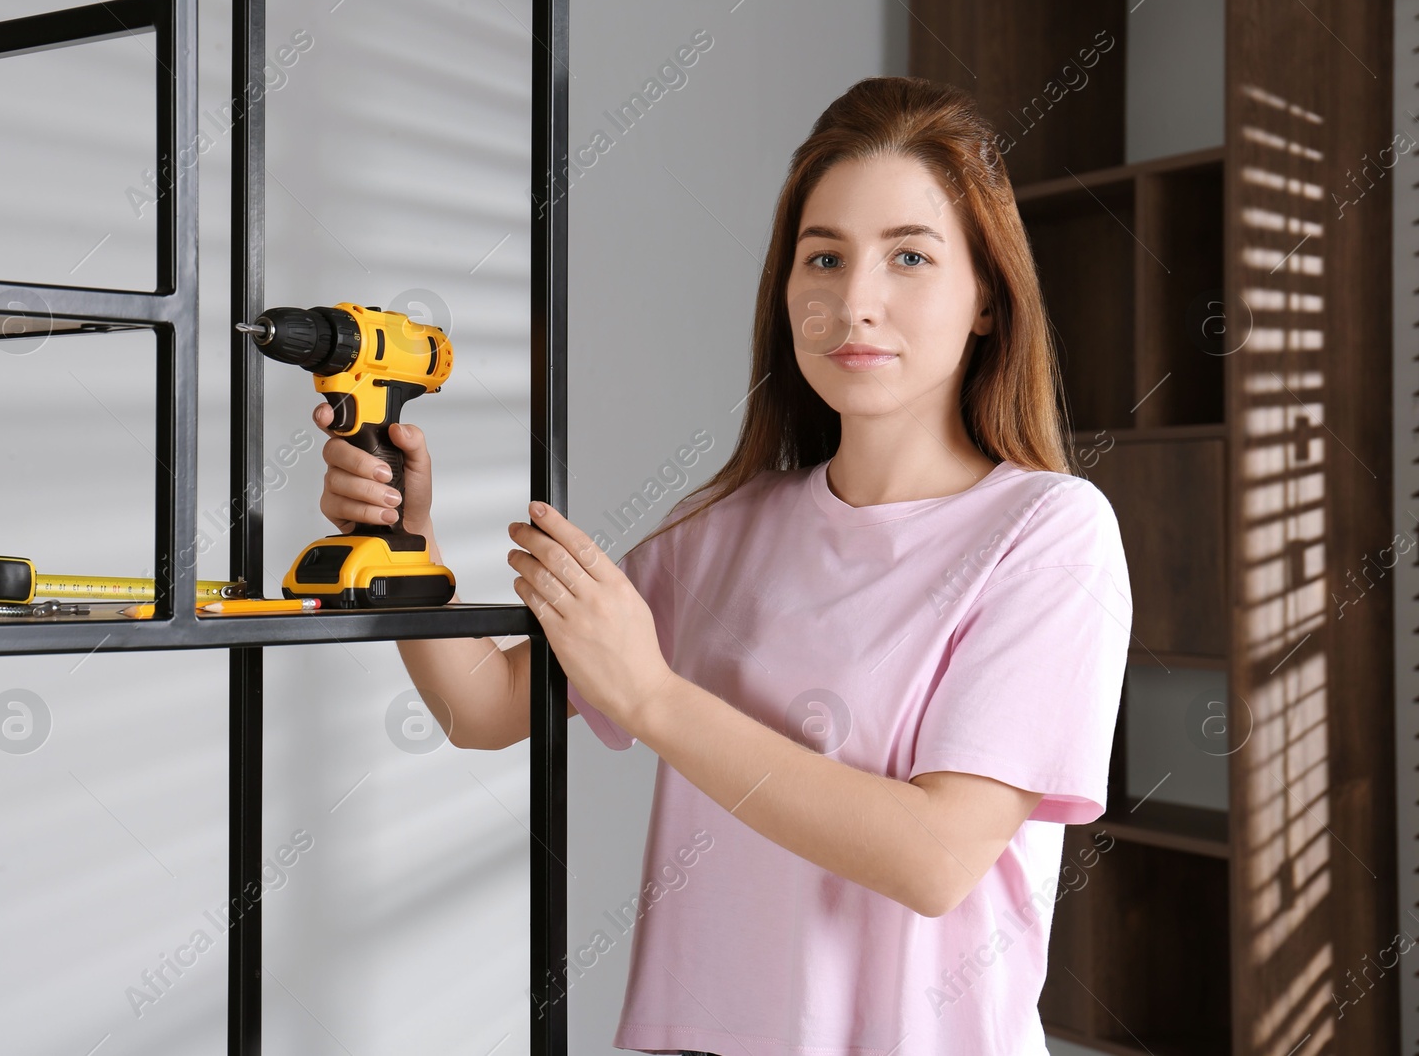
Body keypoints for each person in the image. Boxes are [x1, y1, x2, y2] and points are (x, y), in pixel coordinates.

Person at [314, 75, 1132, 1056]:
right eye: (821, 257)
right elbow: (484, 705)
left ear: (988, 298)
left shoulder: (1047, 531)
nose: (853, 301)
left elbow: (934, 855)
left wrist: (654, 697)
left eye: (908, 256)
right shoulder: (721, 532)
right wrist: (408, 544)